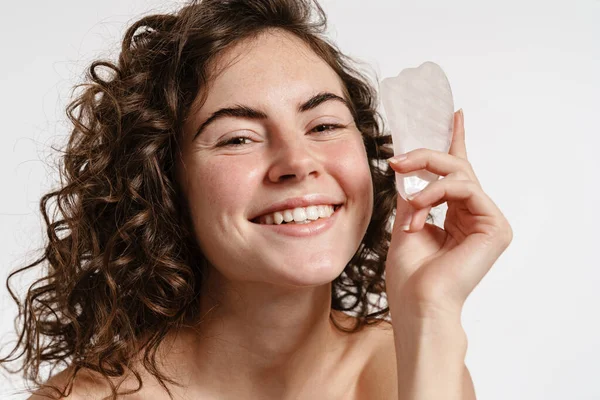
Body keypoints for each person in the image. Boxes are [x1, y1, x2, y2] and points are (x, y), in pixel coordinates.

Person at [0, 0, 513, 398]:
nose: (298, 161)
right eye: (237, 137)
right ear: (162, 184)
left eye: (325, 124)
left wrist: (431, 312)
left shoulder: (412, 367)